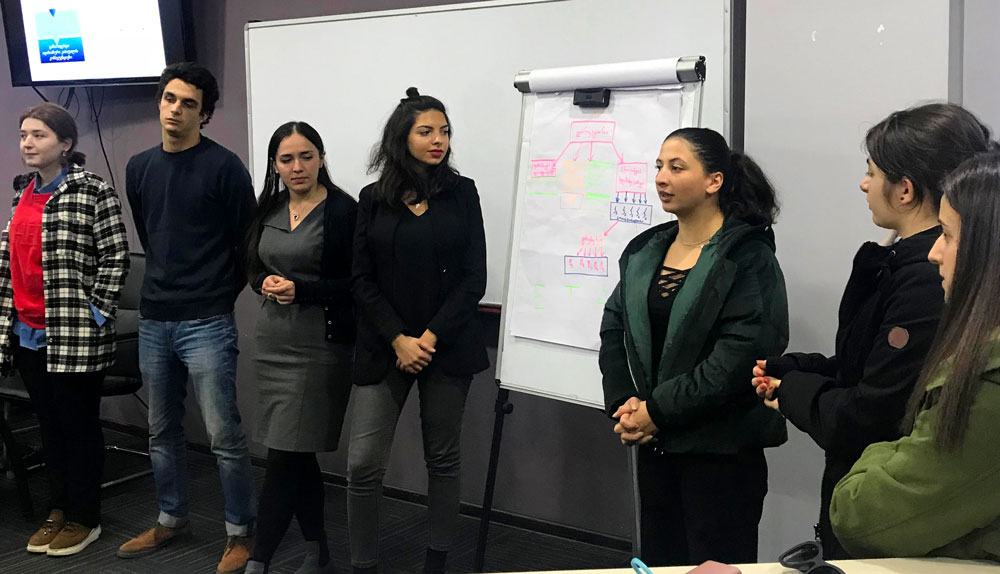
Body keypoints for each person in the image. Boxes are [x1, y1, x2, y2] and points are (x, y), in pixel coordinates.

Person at [751, 103, 995, 558]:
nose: (864, 184)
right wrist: (800, 371)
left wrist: (794, 390)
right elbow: (867, 366)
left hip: (894, 530)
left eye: (871, 172)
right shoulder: (898, 262)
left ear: (905, 189)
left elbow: (876, 415)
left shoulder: (925, 281)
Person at [599, 127, 789, 566]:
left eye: (677, 167)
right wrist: (626, 401)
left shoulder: (747, 256)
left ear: (714, 181)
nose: (661, 177)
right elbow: (614, 326)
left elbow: (739, 357)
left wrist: (656, 410)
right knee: (661, 563)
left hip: (721, 454)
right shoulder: (646, 250)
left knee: (713, 565)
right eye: (659, 167)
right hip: (656, 447)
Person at [117, 62, 257, 574]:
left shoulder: (224, 167)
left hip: (206, 320)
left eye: (189, 103)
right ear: (160, 102)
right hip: (155, 317)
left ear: (205, 114)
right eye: (169, 99)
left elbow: (248, 243)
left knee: (223, 435)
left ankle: (241, 532)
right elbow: (151, 235)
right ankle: (171, 518)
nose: (176, 110)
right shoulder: (139, 167)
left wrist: (216, 295)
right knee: (161, 431)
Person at [830, 151, 1000, 561]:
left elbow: (861, 516)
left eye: (948, 235)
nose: (934, 252)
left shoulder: (989, 380)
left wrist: (880, 453)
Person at [348, 87, 488, 574]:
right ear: (401, 138)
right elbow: (360, 279)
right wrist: (398, 338)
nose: (438, 140)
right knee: (363, 463)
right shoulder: (373, 199)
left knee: (442, 459)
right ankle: (363, 564)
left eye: (444, 131)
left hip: (444, 346)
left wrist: (428, 338)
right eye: (426, 131)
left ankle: (436, 561)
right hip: (386, 346)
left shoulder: (462, 192)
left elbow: (474, 277)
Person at [0, 102, 129, 557]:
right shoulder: (23, 193)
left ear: (66, 143)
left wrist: (97, 313)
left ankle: (85, 517)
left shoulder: (92, 190)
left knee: (78, 428)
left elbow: (116, 255)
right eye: (23, 135)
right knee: (49, 427)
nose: (28, 143)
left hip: (75, 334)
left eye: (39, 135)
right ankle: (58, 508)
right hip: (27, 331)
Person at [242, 121, 357, 574]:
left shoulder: (343, 211)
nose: (297, 167)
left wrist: (302, 290)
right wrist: (264, 283)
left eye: (306, 156)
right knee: (295, 453)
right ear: (275, 165)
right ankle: (317, 549)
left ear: (321, 158)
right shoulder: (269, 207)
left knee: (283, 456)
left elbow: (358, 284)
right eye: (286, 159)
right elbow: (252, 265)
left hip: (318, 349)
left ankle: (259, 559)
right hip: (272, 344)